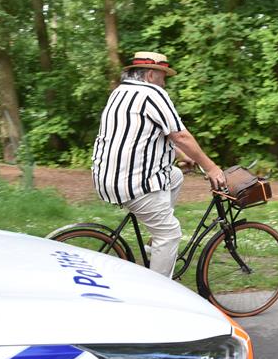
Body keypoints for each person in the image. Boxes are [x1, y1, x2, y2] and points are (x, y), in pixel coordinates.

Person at [92, 51, 226, 277]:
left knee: (175, 176)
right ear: (151, 75)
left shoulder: (120, 91)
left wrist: (182, 156)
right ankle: (157, 289)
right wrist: (211, 168)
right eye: (163, 76)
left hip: (106, 177)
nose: (165, 82)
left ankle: (154, 244)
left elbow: (152, 134)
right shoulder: (152, 93)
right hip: (132, 184)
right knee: (170, 233)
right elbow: (180, 136)